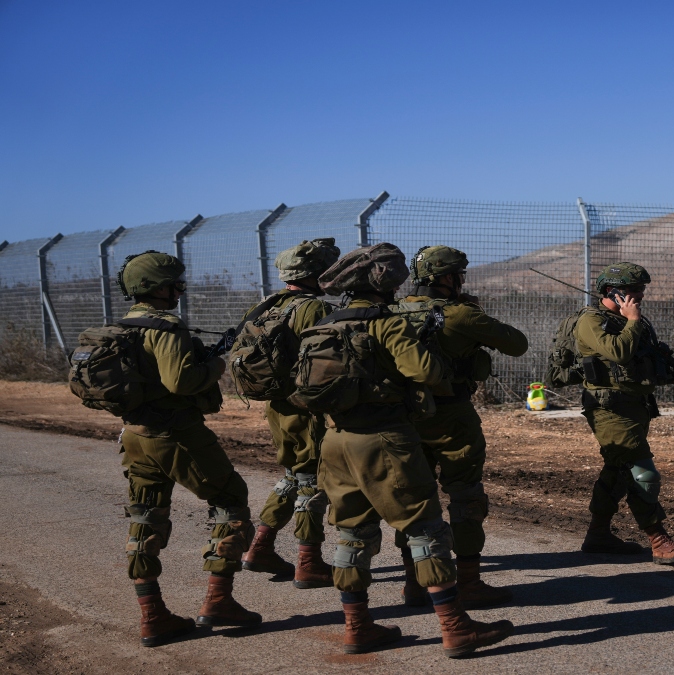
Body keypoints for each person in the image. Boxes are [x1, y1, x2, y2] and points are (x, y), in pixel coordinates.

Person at [294, 243, 513, 657]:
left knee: (352, 533)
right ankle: (454, 626)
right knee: (424, 528)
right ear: (382, 282)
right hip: (385, 439)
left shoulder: (324, 324)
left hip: (335, 442)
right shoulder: (386, 323)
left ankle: (357, 626)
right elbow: (425, 371)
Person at [99, 251, 260, 647]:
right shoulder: (165, 326)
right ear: (157, 287)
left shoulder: (125, 325)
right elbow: (181, 382)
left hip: (136, 436)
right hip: (177, 435)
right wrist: (217, 366)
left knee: (145, 516)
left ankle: (152, 616)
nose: (180, 291)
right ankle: (219, 601)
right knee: (230, 500)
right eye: (175, 284)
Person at [393, 246, 528, 609]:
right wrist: (474, 315)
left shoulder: (390, 313)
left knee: (412, 499)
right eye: (459, 275)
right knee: (465, 496)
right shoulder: (461, 314)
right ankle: (468, 583)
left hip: (402, 419)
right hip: (452, 417)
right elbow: (518, 344)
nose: (462, 281)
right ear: (446, 278)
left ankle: (414, 584)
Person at [574, 262, 674, 564]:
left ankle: (598, 535)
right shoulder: (591, 321)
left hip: (636, 407)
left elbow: (641, 364)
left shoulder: (631, 321)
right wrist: (632, 321)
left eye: (641, 290)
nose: (639, 295)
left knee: (617, 471)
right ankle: (658, 539)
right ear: (612, 291)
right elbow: (617, 353)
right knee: (643, 473)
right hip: (608, 409)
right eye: (632, 290)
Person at [239, 238, 340, 588]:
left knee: (294, 475)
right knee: (311, 480)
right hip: (305, 406)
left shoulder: (265, 306)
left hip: (277, 406)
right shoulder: (312, 309)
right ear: (316, 273)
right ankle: (308, 562)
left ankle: (259, 548)